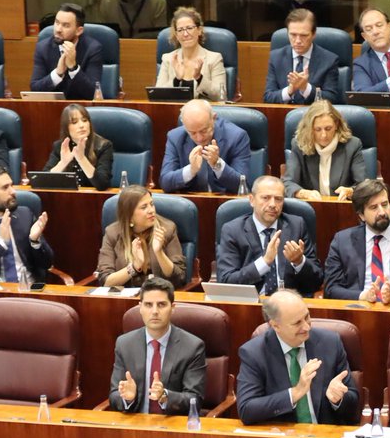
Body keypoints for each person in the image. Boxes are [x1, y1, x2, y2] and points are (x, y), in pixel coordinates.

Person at [235, 289, 360, 426]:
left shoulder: (330, 343)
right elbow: (246, 410)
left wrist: (338, 399)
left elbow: (353, 403)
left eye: (307, 317)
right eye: (297, 323)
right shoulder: (254, 353)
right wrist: (295, 393)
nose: (306, 327)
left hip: (325, 436)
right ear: (275, 325)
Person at [107, 277, 206, 414]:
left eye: (161, 305)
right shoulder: (125, 344)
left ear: (172, 308)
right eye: (148, 305)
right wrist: (128, 398)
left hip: (172, 427)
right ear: (140, 307)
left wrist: (165, 396)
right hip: (136, 424)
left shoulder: (192, 347)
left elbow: (194, 399)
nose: (154, 311)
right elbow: (113, 395)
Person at [216, 176, 322, 296]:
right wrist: (264, 262)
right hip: (250, 305)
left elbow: (317, 280)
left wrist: (300, 262)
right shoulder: (232, 230)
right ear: (252, 200)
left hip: (288, 304)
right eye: (265, 198)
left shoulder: (297, 225)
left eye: (278, 199)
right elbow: (226, 281)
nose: (272, 204)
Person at [96, 186, 186, 288]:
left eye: (152, 204)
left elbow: (179, 278)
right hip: (126, 298)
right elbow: (105, 281)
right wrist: (134, 267)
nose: (151, 210)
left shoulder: (167, 229)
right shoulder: (112, 233)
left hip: (158, 296)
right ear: (129, 214)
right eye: (144, 207)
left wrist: (159, 253)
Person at [158, 99, 251, 194]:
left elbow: (242, 185)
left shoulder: (236, 137)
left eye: (204, 131)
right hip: (189, 203)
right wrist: (191, 170)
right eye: (192, 133)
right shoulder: (175, 137)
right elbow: (165, 183)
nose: (199, 138)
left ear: (213, 118)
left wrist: (217, 164)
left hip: (225, 202)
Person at [282, 99, 368, 201]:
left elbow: (363, 185)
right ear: (310, 128)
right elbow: (287, 183)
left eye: (328, 128)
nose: (323, 135)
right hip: (310, 208)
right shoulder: (299, 145)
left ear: (336, 124)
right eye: (318, 129)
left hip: (342, 208)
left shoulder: (352, 145)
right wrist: (302, 193)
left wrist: (350, 191)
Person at [263, 8, 342, 104]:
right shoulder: (276, 57)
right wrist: (290, 90)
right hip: (283, 115)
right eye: (293, 35)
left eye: (304, 35)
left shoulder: (329, 60)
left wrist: (306, 88)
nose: (298, 41)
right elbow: (268, 98)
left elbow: (331, 99)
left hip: (314, 115)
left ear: (313, 34)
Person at [29, 3, 103, 99]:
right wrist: (57, 74)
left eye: (66, 25)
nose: (58, 29)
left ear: (78, 31)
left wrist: (73, 68)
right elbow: (34, 90)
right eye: (57, 23)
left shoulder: (93, 49)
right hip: (53, 108)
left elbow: (93, 93)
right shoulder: (43, 48)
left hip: (82, 109)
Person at [155, 7, 226, 102]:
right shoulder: (168, 59)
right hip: (174, 113)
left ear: (199, 30)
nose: (185, 34)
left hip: (203, 113)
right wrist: (176, 80)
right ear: (176, 35)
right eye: (180, 30)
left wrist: (199, 78)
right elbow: (157, 96)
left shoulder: (214, 58)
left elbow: (221, 96)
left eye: (189, 28)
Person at [41, 103, 114, 190]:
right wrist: (63, 163)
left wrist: (82, 159)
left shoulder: (103, 146)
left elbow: (102, 184)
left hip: (95, 199)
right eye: (74, 122)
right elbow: (43, 182)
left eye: (85, 120)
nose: (81, 125)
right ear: (66, 127)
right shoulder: (60, 146)